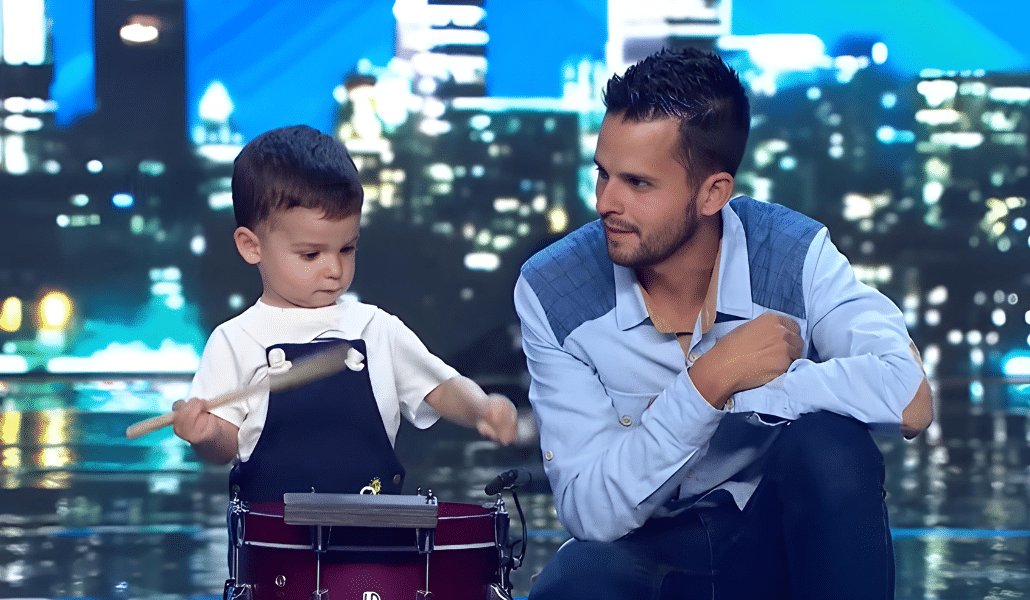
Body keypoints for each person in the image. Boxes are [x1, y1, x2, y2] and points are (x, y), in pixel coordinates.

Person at [514, 47, 932, 599]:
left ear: (713, 193)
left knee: (832, 445)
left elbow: (909, 398)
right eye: (603, 173)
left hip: (769, 545)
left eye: (638, 184)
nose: (606, 202)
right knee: (576, 580)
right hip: (641, 551)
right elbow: (590, 512)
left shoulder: (793, 251)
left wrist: (759, 388)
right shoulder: (552, 288)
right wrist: (707, 382)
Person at [171, 125, 518, 503]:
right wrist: (204, 436)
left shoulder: (375, 328)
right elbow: (224, 446)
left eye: (347, 249)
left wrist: (483, 408)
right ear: (251, 246)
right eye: (311, 254)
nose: (334, 269)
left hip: (373, 534)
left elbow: (440, 387)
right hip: (275, 544)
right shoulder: (235, 340)